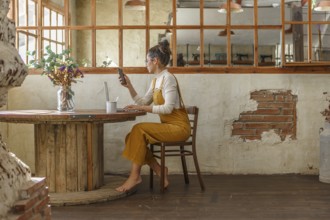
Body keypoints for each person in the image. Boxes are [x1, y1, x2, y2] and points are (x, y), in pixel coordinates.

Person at [116, 39, 191, 192]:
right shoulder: (156, 80)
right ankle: (159, 169)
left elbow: (168, 108)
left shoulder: (168, 79)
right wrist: (129, 86)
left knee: (138, 130)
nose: (146, 64)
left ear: (155, 61)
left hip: (179, 128)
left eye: (147, 61)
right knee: (131, 137)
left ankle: (135, 176)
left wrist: (141, 107)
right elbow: (143, 101)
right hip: (168, 126)